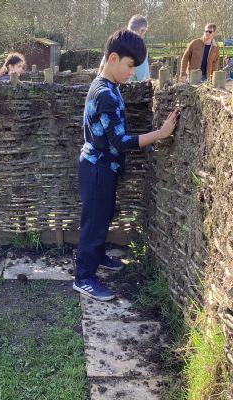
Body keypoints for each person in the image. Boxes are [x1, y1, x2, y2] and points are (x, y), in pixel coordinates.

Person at [74, 30, 178, 301]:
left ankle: (97, 256)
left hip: (102, 167)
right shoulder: (105, 94)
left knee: (103, 216)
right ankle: (83, 277)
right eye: (130, 66)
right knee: (94, 223)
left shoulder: (108, 86)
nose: (132, 73)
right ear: (113, 58)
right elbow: (119, 141)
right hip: (97, 169)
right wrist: (160, 134)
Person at [98, 15, 150, 81]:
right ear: (142, 31)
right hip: (128, 87)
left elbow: (101, 71)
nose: (143, 36)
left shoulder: (115, 41)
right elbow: (143, 79)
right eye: (144, 33)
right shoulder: (139, 48)